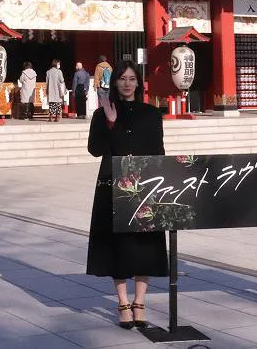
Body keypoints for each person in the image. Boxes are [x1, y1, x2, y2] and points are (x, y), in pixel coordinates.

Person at [86, 60, 167, 329]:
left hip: (144, 187)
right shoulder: (103, 113)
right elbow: (95, 150)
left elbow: (159, 152)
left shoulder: (152, 114)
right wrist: (110, 125)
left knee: (144, 245)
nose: (127, 83)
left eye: (132, 78)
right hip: (112, 186)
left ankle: (140, 301)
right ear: (115, 82)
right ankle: (122, 302)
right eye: (122, 78)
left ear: (139, 83)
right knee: (117, 245)